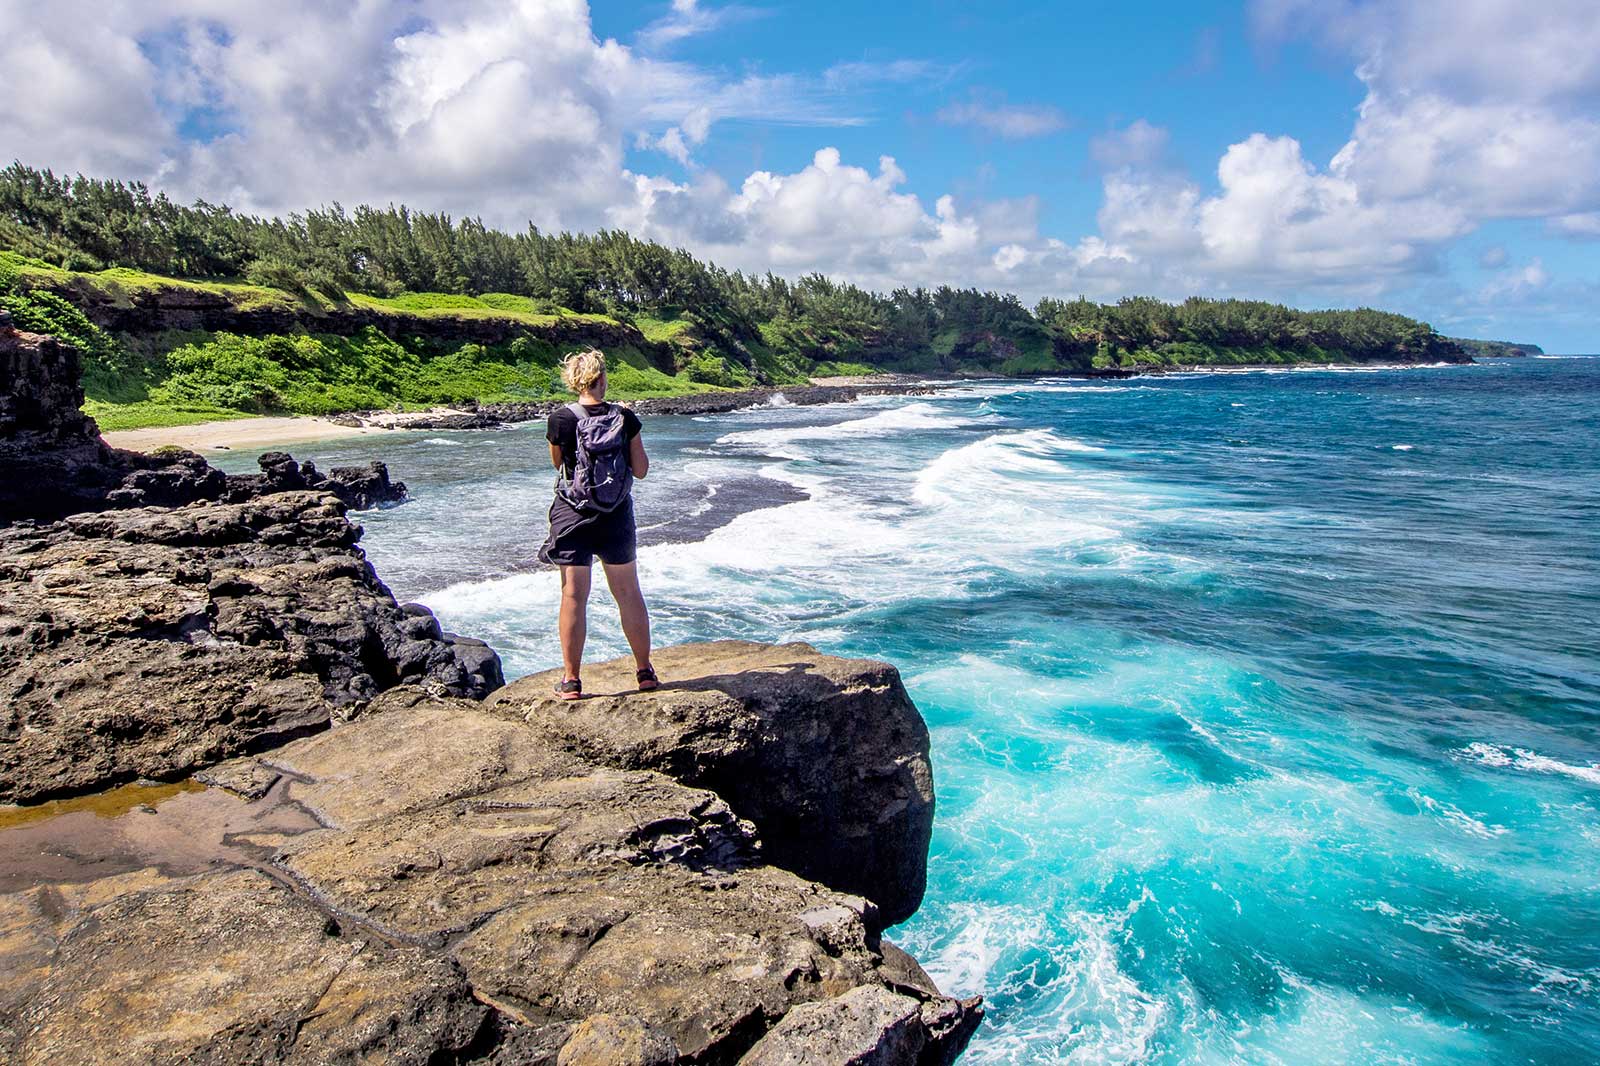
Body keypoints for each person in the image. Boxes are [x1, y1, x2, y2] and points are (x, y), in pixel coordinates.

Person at [538, 348, 658, 699]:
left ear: (574, 381)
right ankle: (644, 672)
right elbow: (641, 470)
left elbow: (557, 465)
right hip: (616, 515)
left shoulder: (561, 420)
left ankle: (572, 680)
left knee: (574, 596)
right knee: (628, 594)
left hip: (572, 515)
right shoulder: (625, 417)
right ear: (602, 379)